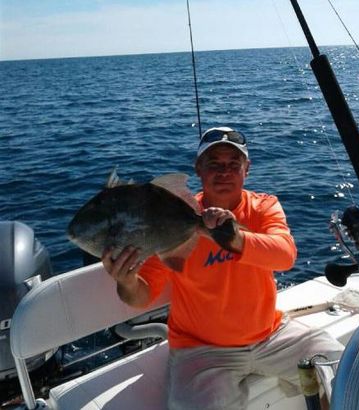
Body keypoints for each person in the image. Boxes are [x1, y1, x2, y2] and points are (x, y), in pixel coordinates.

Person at [102, 126, 344, 410]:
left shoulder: (263, 207)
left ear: (247, 169)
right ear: (198, 169)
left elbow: (285, 256)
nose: (224, 172)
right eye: (214, 164)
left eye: (233, 164)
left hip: (271, 335)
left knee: (346, 370)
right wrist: (127, 281)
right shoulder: (174, 221)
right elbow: (142, 296)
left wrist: (235, 238)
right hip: (202, 352)